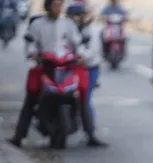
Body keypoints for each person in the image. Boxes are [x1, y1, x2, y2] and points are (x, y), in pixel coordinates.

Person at [7, 0, 105, 147]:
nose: (59, 8)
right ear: (48, 6)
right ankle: (19, 135)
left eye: (60, 5)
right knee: (32, 94)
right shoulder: (37, 24)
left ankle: (90, 133)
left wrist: (81, 56)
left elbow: (77, 43)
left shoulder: (68, 25)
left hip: (66, 66)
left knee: (83, 91)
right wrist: (33, 54)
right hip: (46, 66)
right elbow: (31, 44)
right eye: (56, 5)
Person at [66, 2, 106, 146]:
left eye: (79, 15)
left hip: (89, 68)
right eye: (73, 16)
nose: (76, 19)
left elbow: (92, 51)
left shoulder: (92, 32)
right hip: (68, 67)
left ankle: (90, 133)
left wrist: (80, 58)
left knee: (85, 99)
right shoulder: (67, 30)